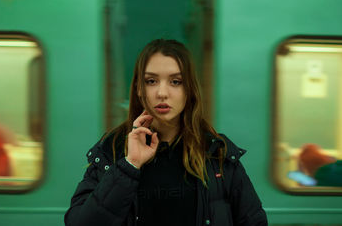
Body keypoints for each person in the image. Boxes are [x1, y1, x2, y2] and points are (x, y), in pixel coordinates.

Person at [64, 39, 267, 226]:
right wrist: (130, 165)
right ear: (139, 89)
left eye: (175, 82)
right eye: (151, 81)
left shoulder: (216, 154)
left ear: (189, 90)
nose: (162, 93)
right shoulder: (112, 151)